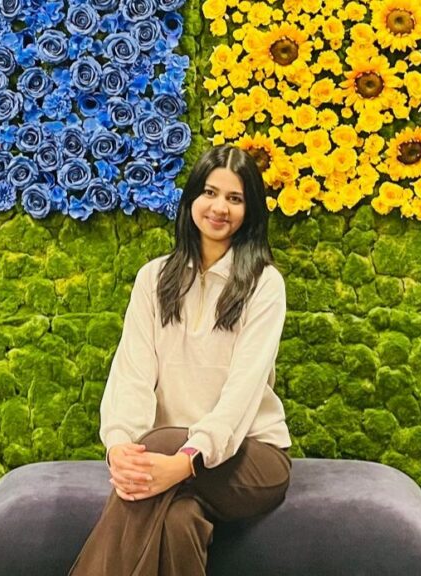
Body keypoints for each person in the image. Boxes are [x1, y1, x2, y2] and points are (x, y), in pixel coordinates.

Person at [69, 145, 292, 576]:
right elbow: (131, 373)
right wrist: (119, 444)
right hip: (169, 456)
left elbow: (241, 395)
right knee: (178, 519)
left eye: (235, 198)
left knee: (162, 441)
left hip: (251, 458)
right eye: (210, 192)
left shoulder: (264, 285)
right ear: (191, 198)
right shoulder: (153, 279)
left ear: (250, 211)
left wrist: (185, 459)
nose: (219, 208)